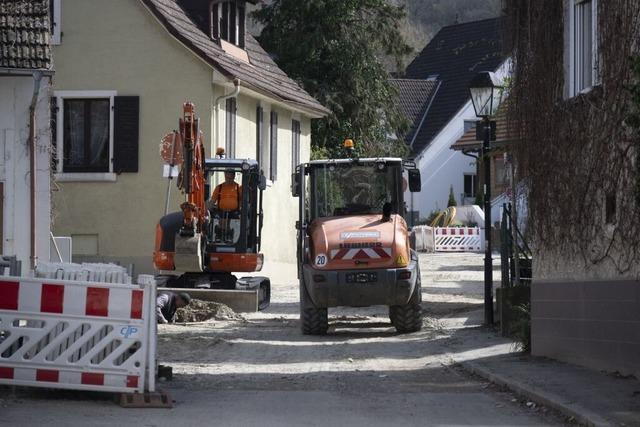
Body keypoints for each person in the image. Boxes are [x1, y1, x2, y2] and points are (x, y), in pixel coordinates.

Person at [209, 169, 242, 241]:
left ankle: (232, 236)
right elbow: (212, 201)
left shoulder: (238, 188)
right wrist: (207, 210)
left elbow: (243, 201)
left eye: (230, 178)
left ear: (234, 176)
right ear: (224, 176)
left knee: (236, 219)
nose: (228, 180)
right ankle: (219, 236)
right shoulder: (219, 187)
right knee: (217, 217)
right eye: (227, 178)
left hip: (234, 212)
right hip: (221, 211)